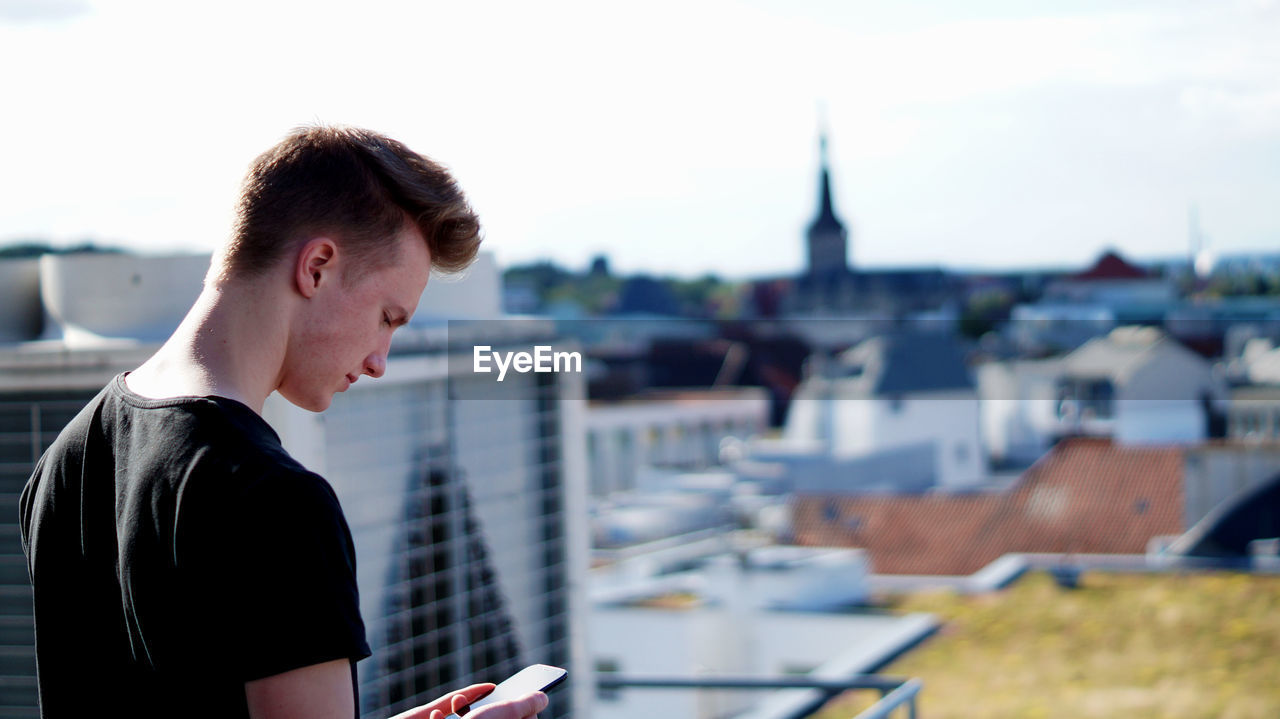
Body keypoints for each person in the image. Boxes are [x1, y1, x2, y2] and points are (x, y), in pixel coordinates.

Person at [18, 126, 550, 719]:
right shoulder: (276, 500)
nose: (380, 360)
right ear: (317, 266)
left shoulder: (66, 459)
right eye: (387, 318)